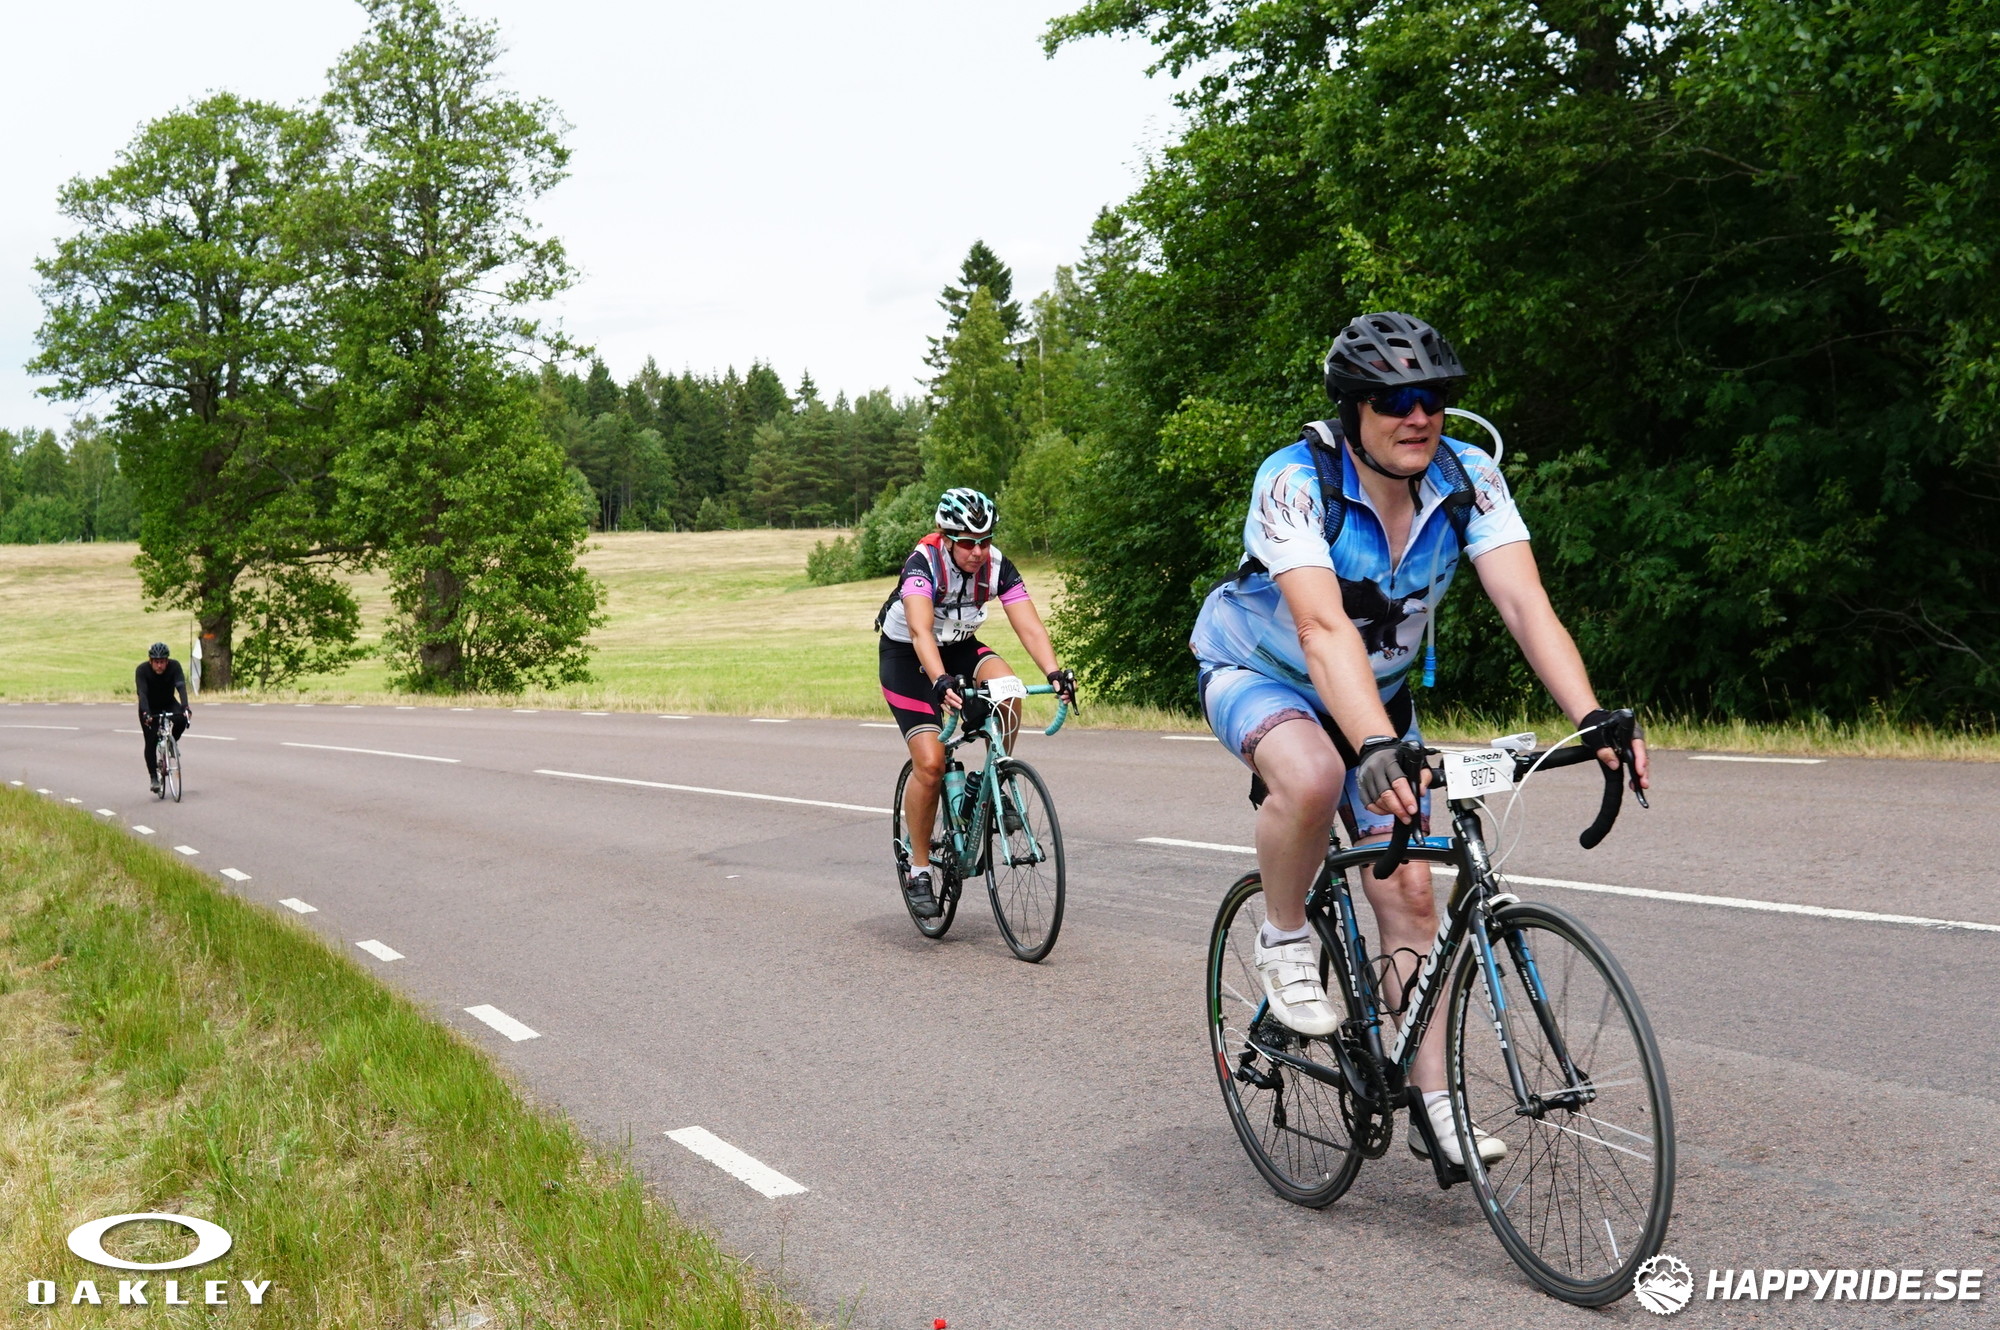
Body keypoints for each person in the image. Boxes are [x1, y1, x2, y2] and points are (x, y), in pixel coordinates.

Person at [1188, 311, 1650, 1167]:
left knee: (1410, 897)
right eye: (1394, 401)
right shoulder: (1295, 480)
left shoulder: (1469, 476)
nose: (1419, 416)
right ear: (1352, 409)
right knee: (1313, 773)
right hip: (1264, 671)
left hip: (1379, 697)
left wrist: (1591, 715)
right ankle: (1284, 937)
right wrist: (1373, 745)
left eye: (1433, 398)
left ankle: (1436, 1106)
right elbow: (1322, 627)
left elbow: (1525, 604)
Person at [878, 487, 1076, 918]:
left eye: (985, 541)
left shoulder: (997, 565)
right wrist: (939, 680)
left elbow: (1029, 626)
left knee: (1010, 690)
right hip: (908, 656)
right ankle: (918, 870)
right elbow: (920, 632)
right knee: (931, 763)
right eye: (968, 542)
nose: (978, 551)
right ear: (946, 537)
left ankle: (993, 779)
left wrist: (1054, 672)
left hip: (960, 648)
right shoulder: (923, 563)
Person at [136, 642, 192, 794]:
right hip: (149, 706)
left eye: (162, 662)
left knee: (181, 719)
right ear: (150, 661)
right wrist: (146, 713)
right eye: (156, 662)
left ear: (167, 661)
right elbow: (142, 693)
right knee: (151, 739)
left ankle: (171, 743)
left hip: (168, 702)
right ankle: (154, 777)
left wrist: (185, 707)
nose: (159, 665)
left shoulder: (175, 666)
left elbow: (181, 686)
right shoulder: (142, 670)